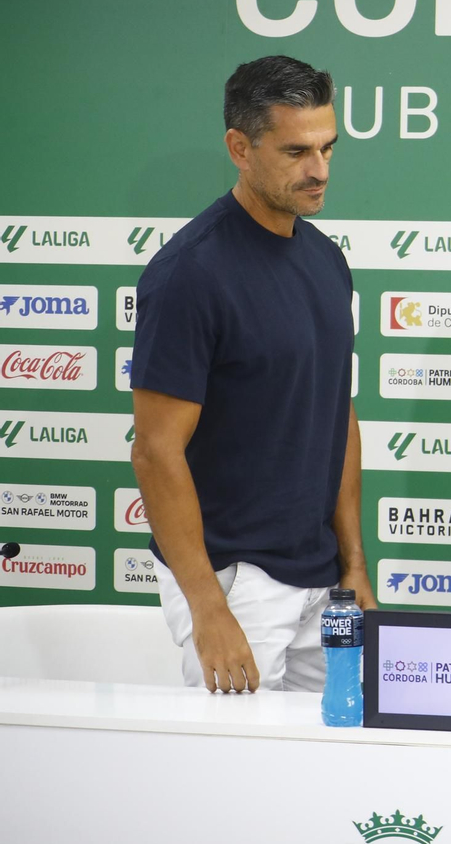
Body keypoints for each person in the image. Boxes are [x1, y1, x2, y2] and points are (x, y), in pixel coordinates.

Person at [130, 55, 373, 694]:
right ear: (240, 147)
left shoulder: (326, 260)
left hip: (323, 584)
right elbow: (156, 451)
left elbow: (337, 415)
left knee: (333, 773)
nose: (319, 170)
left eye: (328, 148)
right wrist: (208, 607)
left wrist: (355, 566)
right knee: (231, 785)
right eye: (296, 151)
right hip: (237, 587)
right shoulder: (191, 273)